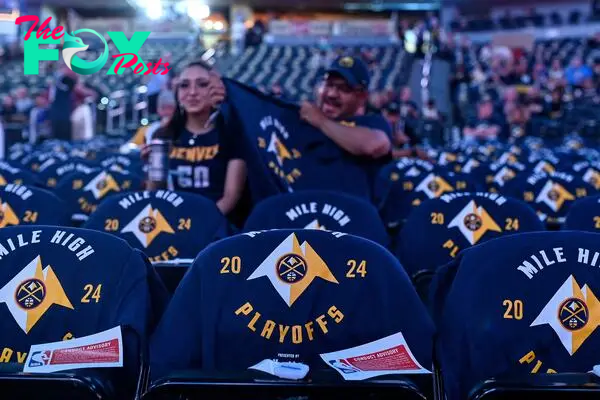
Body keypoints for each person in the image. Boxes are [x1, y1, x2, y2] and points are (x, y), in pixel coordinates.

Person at [147, 61, 247, 217]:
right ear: (177, 93)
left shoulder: (233, 133)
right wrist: (152, 166)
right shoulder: (164, 134)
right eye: (184, 85)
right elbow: (155, 194)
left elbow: (230, 198)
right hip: (175, 221)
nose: (192, 92)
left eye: (202, 84)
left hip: (221, 226)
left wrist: (198, 226)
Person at [298, 55, 392, 199]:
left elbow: (374, 145)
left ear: (362, 97)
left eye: (344, 89)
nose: (332, 94)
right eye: (329, 85)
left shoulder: (371, 122)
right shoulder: (304, 121)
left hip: (349, 217)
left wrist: (321, 121)